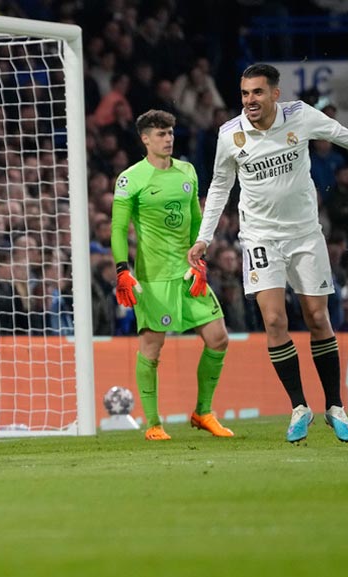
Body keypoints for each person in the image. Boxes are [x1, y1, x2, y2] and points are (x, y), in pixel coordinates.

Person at [188, 63, 348, 443]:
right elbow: (219, 187)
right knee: (274, 320)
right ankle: (300, 407)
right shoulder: (230, 134)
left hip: (305, 235)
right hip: (260, 237)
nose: (250, 100)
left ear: (275, 95)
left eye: (257, 92)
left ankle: (334, 407)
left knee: (317, 317)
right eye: (245, 93)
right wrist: (204, 237)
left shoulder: (300, 116)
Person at [112, 109, 233, 441]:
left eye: (170, 133)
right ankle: (153, 423)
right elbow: (119, 228)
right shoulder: (130, 178)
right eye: (161, 134)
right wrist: (122, 269)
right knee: (152, 349)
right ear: (145, 139)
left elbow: (196, 219)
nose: (168, 139)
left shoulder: (188, 171)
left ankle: (203, 411)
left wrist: (200, 259)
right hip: (154, 279)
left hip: (187, 274)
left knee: (218, 338)